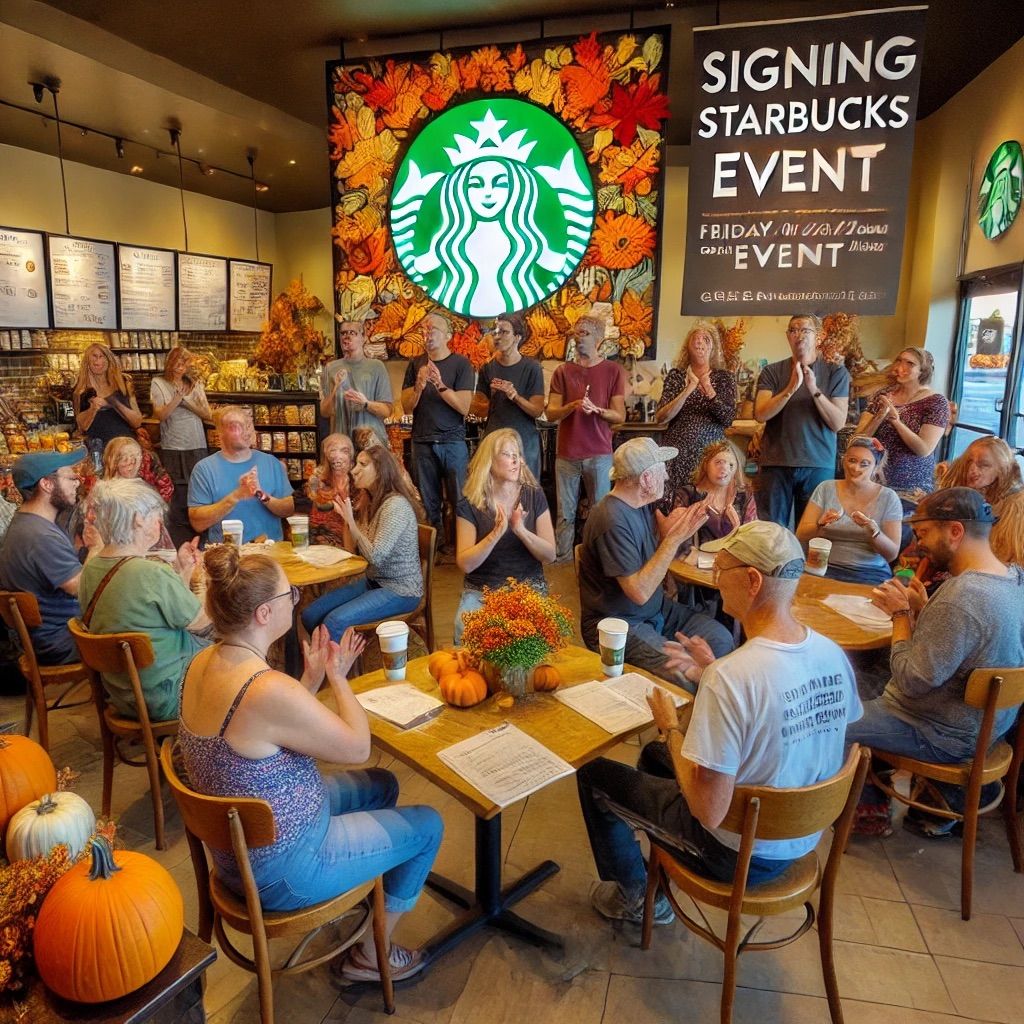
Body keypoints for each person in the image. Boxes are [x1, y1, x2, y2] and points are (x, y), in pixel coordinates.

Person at [577, 521, 862, 924]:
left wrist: (670, 728)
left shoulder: (734, 677)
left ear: (751, 580)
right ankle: (657, 847)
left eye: (721, 569)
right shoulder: (831, 654)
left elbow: (708, 811)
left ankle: (639, 897)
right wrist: (711, 671)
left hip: (739, 853)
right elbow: (792, 720)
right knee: (656, 758)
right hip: (801, 837)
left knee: (594, 776)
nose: (714, 577)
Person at [178, 544, 442, 981]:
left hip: (239, 850)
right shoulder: (264, 689)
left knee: (381, 784)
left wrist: (312, 679)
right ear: (264, 614)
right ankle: (369, 957)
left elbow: (263, 734)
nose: (296, 602)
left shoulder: (204, 662)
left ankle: (360, 895)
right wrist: (339, 679)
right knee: (429, 824)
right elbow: (358, 746)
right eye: (290, 596)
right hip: (285, 870)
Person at [847, 488, 1024, 837]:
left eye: (925, 533)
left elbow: (912, 680)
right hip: (989, 727)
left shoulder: (961, 596)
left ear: (955, 531)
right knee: (859, 676)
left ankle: (867, 810)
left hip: (939, 732)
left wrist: (900, 615)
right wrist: (922, 610)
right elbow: (966, 643)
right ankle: (873, 790)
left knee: (823, 719)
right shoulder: (1013, 579)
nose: (919, 542)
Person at [577, 437, 734, 693]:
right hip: (621, 624)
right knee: (689, 676)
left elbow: (662, 550)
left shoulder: (639, 506)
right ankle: (676, 728)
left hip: (655, 611)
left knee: (721, 639)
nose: (667, 477)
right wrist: (673, 540)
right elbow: (638, 592)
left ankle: (700, 721)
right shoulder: (611, 519)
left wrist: (677, 534)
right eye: (662, 470)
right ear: (647, 479)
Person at [77, 479, 209, 723]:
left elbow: (154, 611)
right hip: (168, 694)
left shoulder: (91, 569)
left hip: (122, 693)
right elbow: (200, 622)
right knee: (238, 650)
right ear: (138, 519)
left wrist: (183, 571)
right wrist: (212, 587)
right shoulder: (151, 573)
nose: (159, 525)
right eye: (157, 518)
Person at [301, 445, 423, 640]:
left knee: (334, 622)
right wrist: (346, 522)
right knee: (310, 615)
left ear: (380, 470)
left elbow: (375, 557)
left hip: (401, 590)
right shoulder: (369, 501)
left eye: (362, 464)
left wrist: (351, 521)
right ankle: (325, 664)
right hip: (373, 581)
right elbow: (353, 552)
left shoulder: (396, 505)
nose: (354, 470)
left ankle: (338, 670)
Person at [0, 450, 102, 665]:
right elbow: (80, 586)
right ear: (46, 484)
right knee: (145, 626)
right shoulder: (39, 535)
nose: (77, 483)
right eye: (70, 477)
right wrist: (95, 548)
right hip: (62, 642)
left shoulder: (28, 523)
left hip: (49, 638)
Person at [454, 428, 555, 644]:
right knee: (465, 629)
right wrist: (495, 534)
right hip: (482, 590)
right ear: (489, 460)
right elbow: (465, 564)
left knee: (537, 632)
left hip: (528, 586)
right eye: (507, 454)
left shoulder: (533, 495)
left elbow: (550, 555)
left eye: (517, 454)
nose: (515, 460)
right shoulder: (471, 503)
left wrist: (521, 531)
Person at [754, 314, 850, 526]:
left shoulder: (836, 372)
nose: (798, 335)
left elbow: (838, 423)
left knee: (812, 530)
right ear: (788, 337)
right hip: (776, 462)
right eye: (793, 330)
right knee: (772, 532)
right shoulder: (772, 371)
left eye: (805, 330)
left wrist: (813, 389)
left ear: (819, 337)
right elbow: (760, 414)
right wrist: (790, 389)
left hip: (818, 463)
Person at [546, 316, 626, 561]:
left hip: (600, 454)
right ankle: (562, 560)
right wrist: (572, 406)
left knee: (600, 511)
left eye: (584, 333)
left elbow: (619, 416)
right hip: (567, 454)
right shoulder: (562, 371)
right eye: (576, 333)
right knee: (565, 514)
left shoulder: (613, 371)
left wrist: (598, 411)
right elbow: (550, 413)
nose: (578, 337)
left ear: (598, 339)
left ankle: (596, 559)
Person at [400, 311, 474, 550]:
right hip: (422, 441)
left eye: (434, 330)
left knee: (460, 500)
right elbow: (407, 407)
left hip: (453, 442)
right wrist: (420, 386)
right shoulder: (415, 364)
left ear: (448, 336)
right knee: (429, 502)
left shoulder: (461, 364)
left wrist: (440, 385)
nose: (427, 333)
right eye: (424, 329)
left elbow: (463, 406)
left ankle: (463, 546)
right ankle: (436, 549)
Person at [796, 435, 902, 585]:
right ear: (843, 460)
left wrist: (874, 532)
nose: (855, 467)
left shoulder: (889, 497)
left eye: (864, 464)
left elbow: (891, 554)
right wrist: (819, 525)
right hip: (824, 568)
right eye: (851, 460)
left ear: (876, 468)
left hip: (870, 572)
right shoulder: (826, 488)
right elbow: (801, 534)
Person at [656, 322, 737, 508]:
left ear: (713, 347)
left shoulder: (724, 377)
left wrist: (708, 388)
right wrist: (688, 389)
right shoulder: (676, 376)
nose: (700, 343)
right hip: (677, 453)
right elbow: (661, 417)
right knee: (676, 505)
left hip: (710, 456)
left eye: (706, 339)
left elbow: (727, 418)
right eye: (696, 338)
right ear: (687, 346)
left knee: (706, 506)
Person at [188, 406, 294, 544]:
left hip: (270, 554)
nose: (246, 432)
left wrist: (261, 494)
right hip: (227, 556)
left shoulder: (272, 463)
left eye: (249, 425)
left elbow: (289, 509)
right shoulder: (204, 469)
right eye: (236, 427)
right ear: (220, 433)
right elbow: (197, 523)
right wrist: (236, 496)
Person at [855, 347, 949, 500]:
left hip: (911, 489)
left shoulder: (936, 402)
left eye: (910, 363)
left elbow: (924, 449)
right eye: (899, 361)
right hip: (874, 481)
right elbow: (859, 438)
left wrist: (896, 421)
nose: (901, 367)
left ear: (923, 371)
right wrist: (879, 416)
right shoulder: (882, 395)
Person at [471, 312, 545, 480]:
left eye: (504, 332)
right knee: (494, 495)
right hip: (494, 440)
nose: (497, 337)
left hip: (524, 442)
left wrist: (515, 396)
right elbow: (478, 411)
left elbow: (537, 410)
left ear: (517, 337)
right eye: (495, 332)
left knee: (526, 495)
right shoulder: (487, 368)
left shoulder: (532, 368)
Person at [150, 345, 212, 546]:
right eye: (176, 361)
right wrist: (176, 399)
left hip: (197, 444)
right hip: (174, 446)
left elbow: (207, 414)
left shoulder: (194, 383)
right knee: (176, 493)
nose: (180, 366)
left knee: (199, 488)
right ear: (169, 363)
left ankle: (200, 539)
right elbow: (161, 415)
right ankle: (177, 541)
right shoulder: (159, 383)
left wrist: (186, 402)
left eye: (184, 362)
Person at [940, 436, 1024, 567]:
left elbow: (1010, 558)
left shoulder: (1016, 506)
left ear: (1001, 469)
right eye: (969, 462)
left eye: (983, 465)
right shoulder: (965, 493)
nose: (972, 470)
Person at [672, 440, 757, 545]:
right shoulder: (686, 494)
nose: (724, 469)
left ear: (736, 468)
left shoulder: (746, 495)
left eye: (731, 465)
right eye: (718, 463)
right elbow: (676, 541)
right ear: (706, 464)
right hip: (693, 559)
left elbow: (752, 539)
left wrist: (736, 526)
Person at [320, 320, 393, 444]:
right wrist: (336, 388)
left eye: (352, 333)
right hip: (342, 445)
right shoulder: (330, 368)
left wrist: (366, 404)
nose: (346, 337)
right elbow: (325, 412)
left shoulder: (376, 367)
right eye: (343, 333)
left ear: (364, 337)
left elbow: (387, 411)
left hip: (370, 443)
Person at [73, 343, 143, 450]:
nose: (98, 360)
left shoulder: (124, 383)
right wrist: (93, 409)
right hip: (97, 449)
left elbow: (137, 422)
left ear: (109, 359)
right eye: (94, 356)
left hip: (125, 447)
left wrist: (113, 403)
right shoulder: (81, 391)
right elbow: (81, 427)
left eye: (102, 356)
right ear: (87, 362)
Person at [306, 433, 354, 549]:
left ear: (351, 457)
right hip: (322, 540)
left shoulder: (357, 481)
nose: (338, 456)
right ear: (325, 455)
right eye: (333, 450)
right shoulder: (318, 479)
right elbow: (317, 501)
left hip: (353, 540)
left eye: (344, 451)